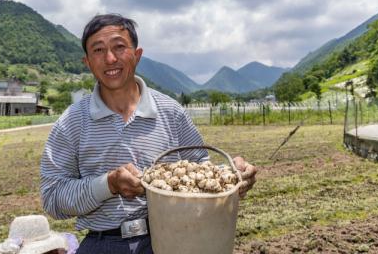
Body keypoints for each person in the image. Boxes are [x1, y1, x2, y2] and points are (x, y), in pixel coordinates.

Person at [40, 14, 257, 254]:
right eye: (99, 50)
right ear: (87, 62)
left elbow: (202, 173)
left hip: (174, 237)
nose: (110, 58)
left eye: (119, 47)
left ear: (137, 54)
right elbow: (53, 198)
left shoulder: (171, 112)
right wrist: (108, 184)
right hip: (103, 244)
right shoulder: (71, 123)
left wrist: (232, 177)